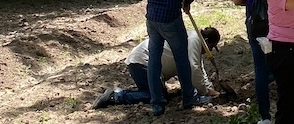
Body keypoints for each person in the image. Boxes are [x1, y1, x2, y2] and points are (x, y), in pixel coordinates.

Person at [135, 0, 210, 116]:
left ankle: (157, 103)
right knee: (182, 58)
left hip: (152, 17)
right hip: (171, 18)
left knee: (154, 58)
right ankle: (188, 98)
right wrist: (187, 4)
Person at [92, 27, 221, 109]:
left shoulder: (194, 42)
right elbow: (193, 68)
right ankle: (116, 96)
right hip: (141, 63)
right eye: (211, 47)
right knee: (157, 97)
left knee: (157, 93)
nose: (209, 51)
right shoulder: (194, 41)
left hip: (141, 63)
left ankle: (127, 93)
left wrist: (209, 88)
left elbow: (199, 68)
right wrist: (204, 92)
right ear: (207, 41)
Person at [232, 0, 278, 124]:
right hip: (278, 23)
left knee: (259, 68)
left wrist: (253, 2)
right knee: (281, 63)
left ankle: (264, 116)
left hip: (256, 23)